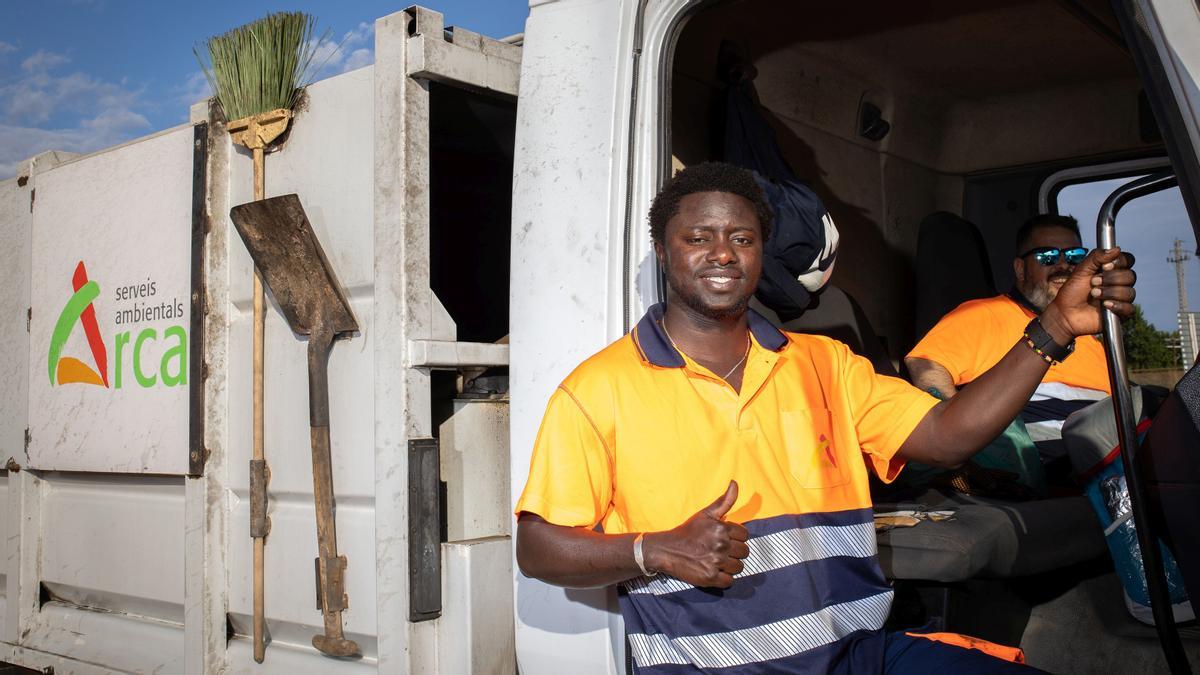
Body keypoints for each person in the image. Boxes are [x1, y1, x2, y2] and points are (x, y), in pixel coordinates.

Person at [514, 163, 1136, 673]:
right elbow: (538, 548)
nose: (722, 253)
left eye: (742, 237)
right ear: (663, 250)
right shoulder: (598, 389)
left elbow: (949, 438)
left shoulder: (826, 363)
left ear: (761, 254)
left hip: (860, 656)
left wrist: (1053, 329)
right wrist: (657, 549)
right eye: (698, 236)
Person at [906, 214, 1116, 467]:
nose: (1063, 266)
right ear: (1020, 268)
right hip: (1037, 463)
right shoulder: (981, 314)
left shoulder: (1089, 336)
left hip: (1106, 453)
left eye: (1074, 256)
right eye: (1046, 257)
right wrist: (974, 444)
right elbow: (924, 366)